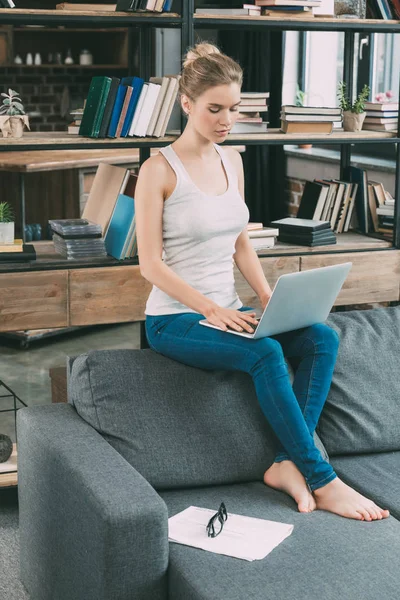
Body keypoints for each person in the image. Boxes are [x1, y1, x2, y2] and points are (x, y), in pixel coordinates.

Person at [134, 42, 390, 522]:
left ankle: (285, 463)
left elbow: (240, 242)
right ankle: (322, 477)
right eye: (214, 109)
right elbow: (150, 264)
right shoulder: (158, 170)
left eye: (234, 108)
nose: (226, 119)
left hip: (229, 308)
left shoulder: (233, 161)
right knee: (266, 353)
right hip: (175, 318)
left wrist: (268, 296)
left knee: (320, 338)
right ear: (186, 105)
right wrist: (212, 310)